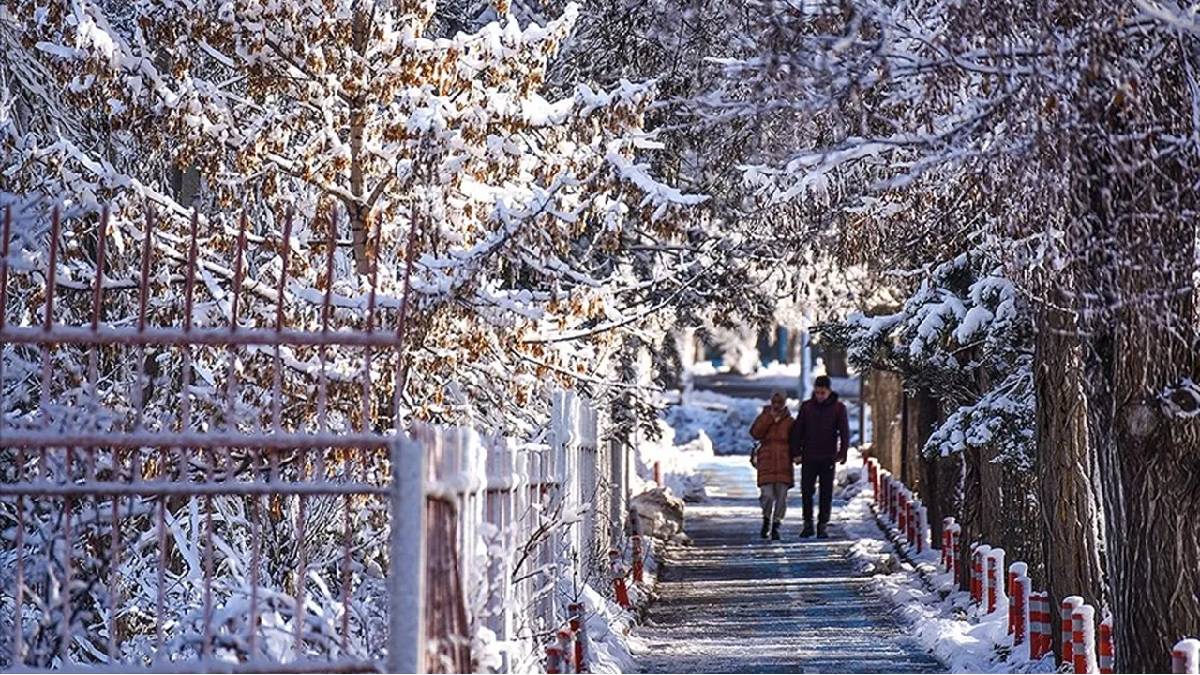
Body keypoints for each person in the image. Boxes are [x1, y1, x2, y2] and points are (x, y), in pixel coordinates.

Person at [788, 375, 850, 538]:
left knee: (826, 492)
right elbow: (798, 431)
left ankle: (822, 525)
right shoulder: (807, 407)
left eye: (823, 393)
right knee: (807, 491)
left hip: (828, 456)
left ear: (829, 391)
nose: (820, 396)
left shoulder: (838, 408)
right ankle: (807, 523)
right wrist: (796, 452)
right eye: (817, 393)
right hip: (808, 456)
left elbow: (844, 432)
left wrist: (842, 453)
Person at [749, 390, 794, 540]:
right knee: (767, 495)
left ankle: (776, 525)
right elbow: (755, 433)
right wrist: (768, 418)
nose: (776, 406)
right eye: (774, 402)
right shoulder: (764, 416)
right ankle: (766, 518)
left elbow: (796, 439)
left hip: (783, 461)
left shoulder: (789, 421)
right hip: (767, 461)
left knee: (781, 497)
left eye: (779, 402)